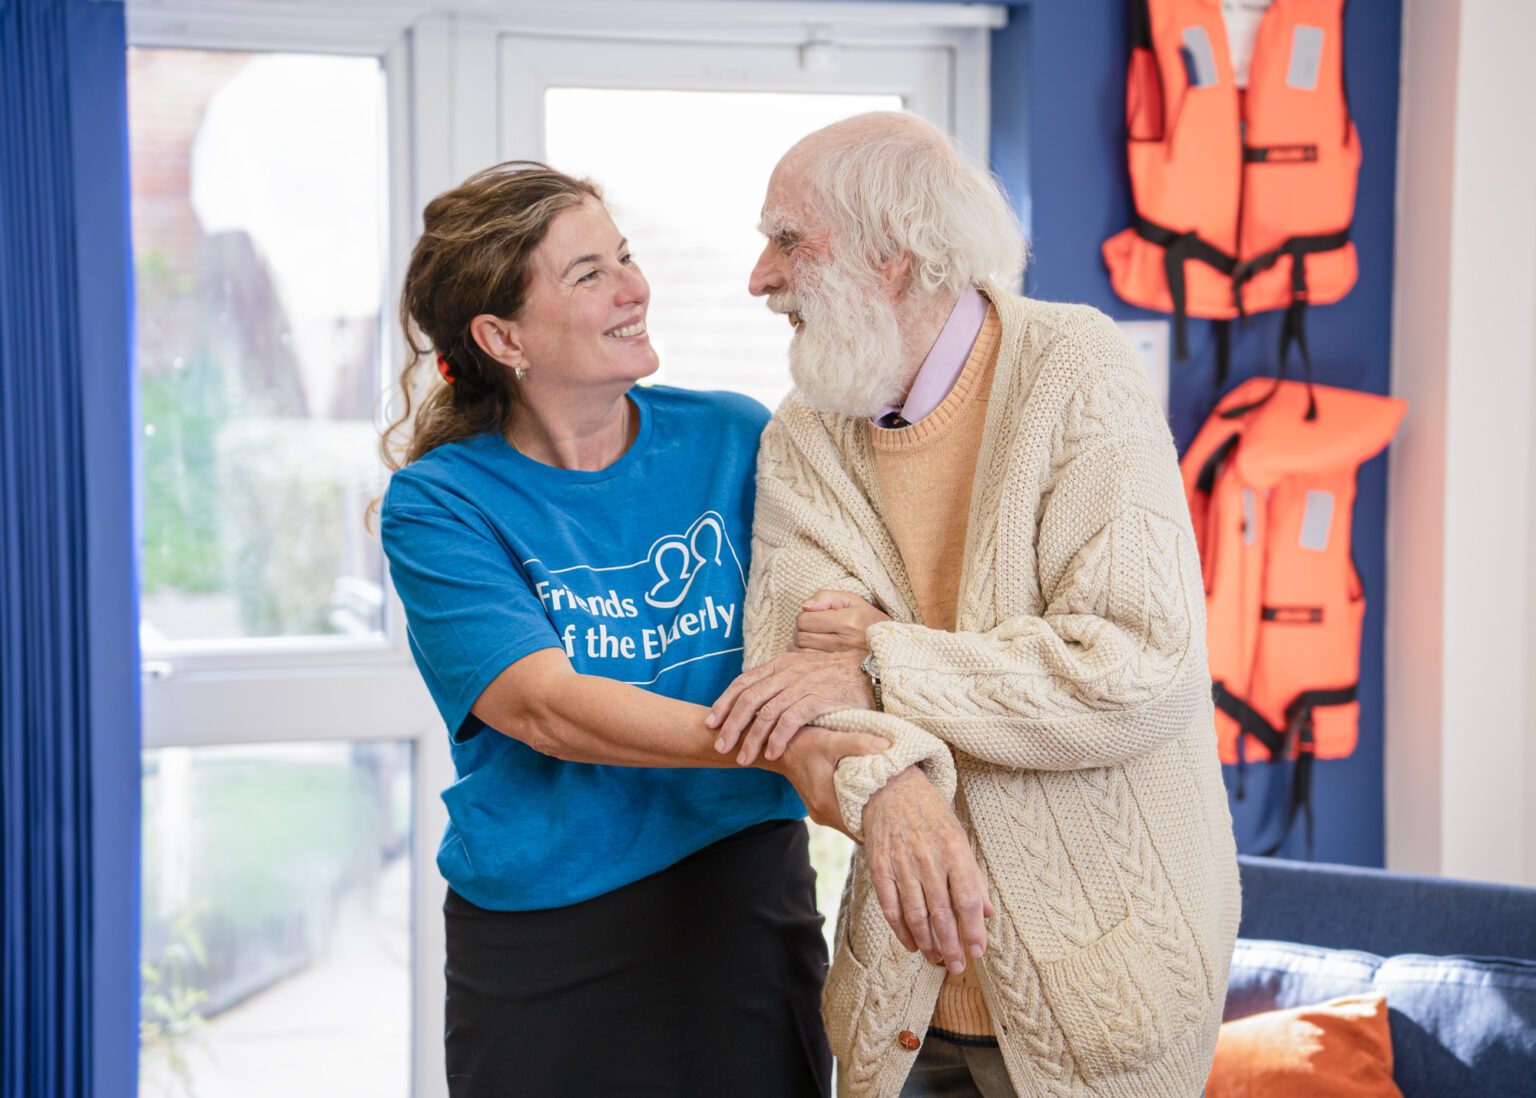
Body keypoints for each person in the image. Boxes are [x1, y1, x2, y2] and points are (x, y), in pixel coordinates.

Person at [709, 113, 1242, 1096]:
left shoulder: (1077, 372)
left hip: (1108, 1003)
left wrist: (883, 661)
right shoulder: (804, 434)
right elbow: (794, 689)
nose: (760, 277)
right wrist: (896, 786)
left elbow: (1135, 673)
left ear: (896, 254)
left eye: (789, 238)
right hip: (902, 999)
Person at [378, 161, 889, 1097]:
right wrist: (778, 749)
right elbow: (542, 709)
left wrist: (855, 637)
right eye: (588, 275)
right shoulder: (440, 504)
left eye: (625, 256)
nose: (633, 287)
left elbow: (845, 607)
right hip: (546, 929)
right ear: (502, 337)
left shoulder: (737, 438)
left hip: (741, 894)